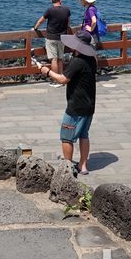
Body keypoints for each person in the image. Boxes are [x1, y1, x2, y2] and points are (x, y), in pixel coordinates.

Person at [40, 31, 98, 175]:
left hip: (76, 106)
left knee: (66, 137)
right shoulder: (92, 59)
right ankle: (83, 166)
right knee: (84, 135)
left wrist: (46, 71)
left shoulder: (77, 61)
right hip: (89, 104)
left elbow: (63, 79)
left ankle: (68, 168)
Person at [32, 0, 71, 87]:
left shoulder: (50, 10)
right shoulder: (66, 10)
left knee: (54, 59)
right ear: (60, 0)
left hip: (51, 38)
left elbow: (41, 20)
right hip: (62, 37)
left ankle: (55, 80)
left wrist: (35, 28)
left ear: (52, 1)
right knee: (60, 59)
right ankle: (61, 79)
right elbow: (68, 23)